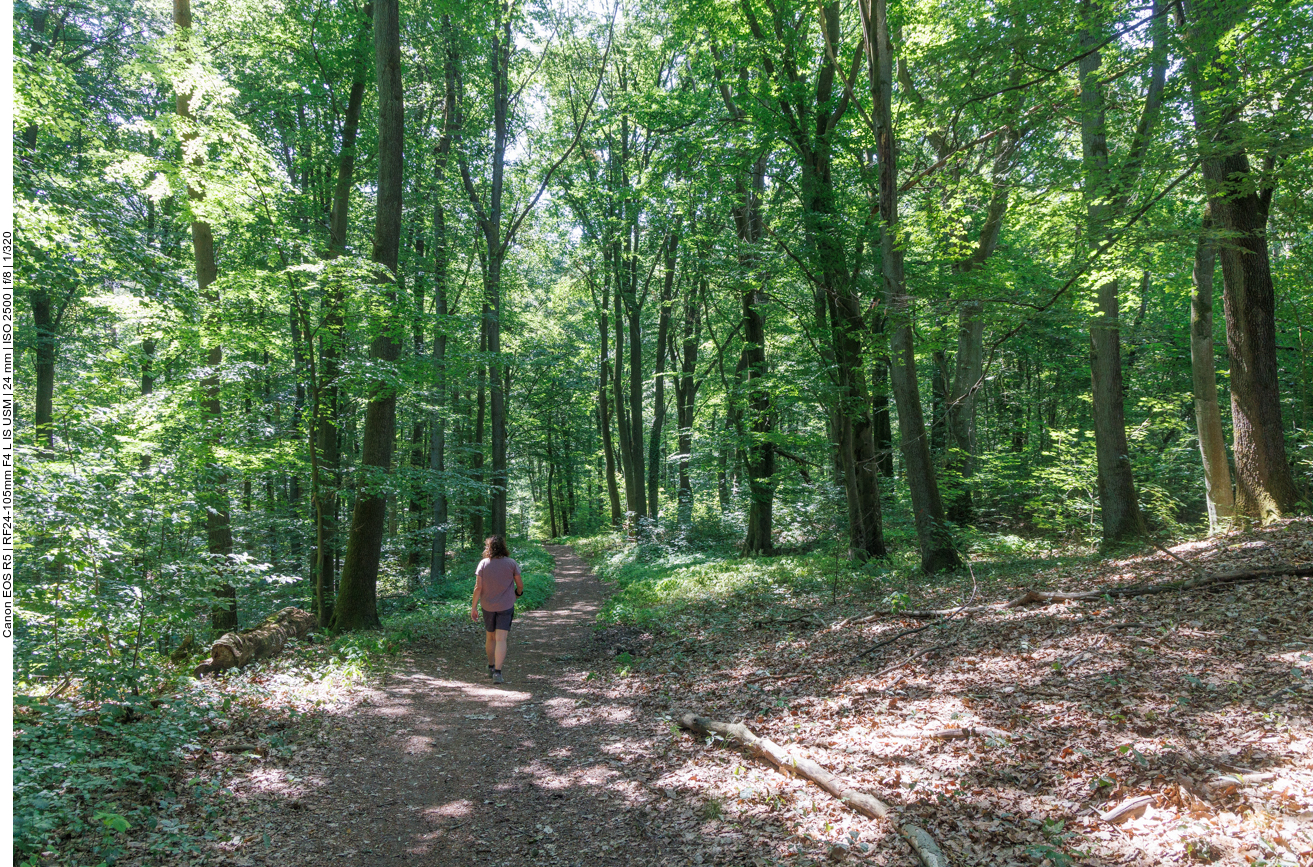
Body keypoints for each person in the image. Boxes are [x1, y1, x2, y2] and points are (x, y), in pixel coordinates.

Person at [470, 535, 523, 684]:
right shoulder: (511, 563)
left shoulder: (483, 564)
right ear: (504, 547)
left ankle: (491, 667)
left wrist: (474, 607)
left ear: (489, 548)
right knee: (501, 639)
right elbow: (520, 585)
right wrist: (517, 594)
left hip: (487, 606)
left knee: (490, 637)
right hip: (506, 605)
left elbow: (478, 587)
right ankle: (498, 673)